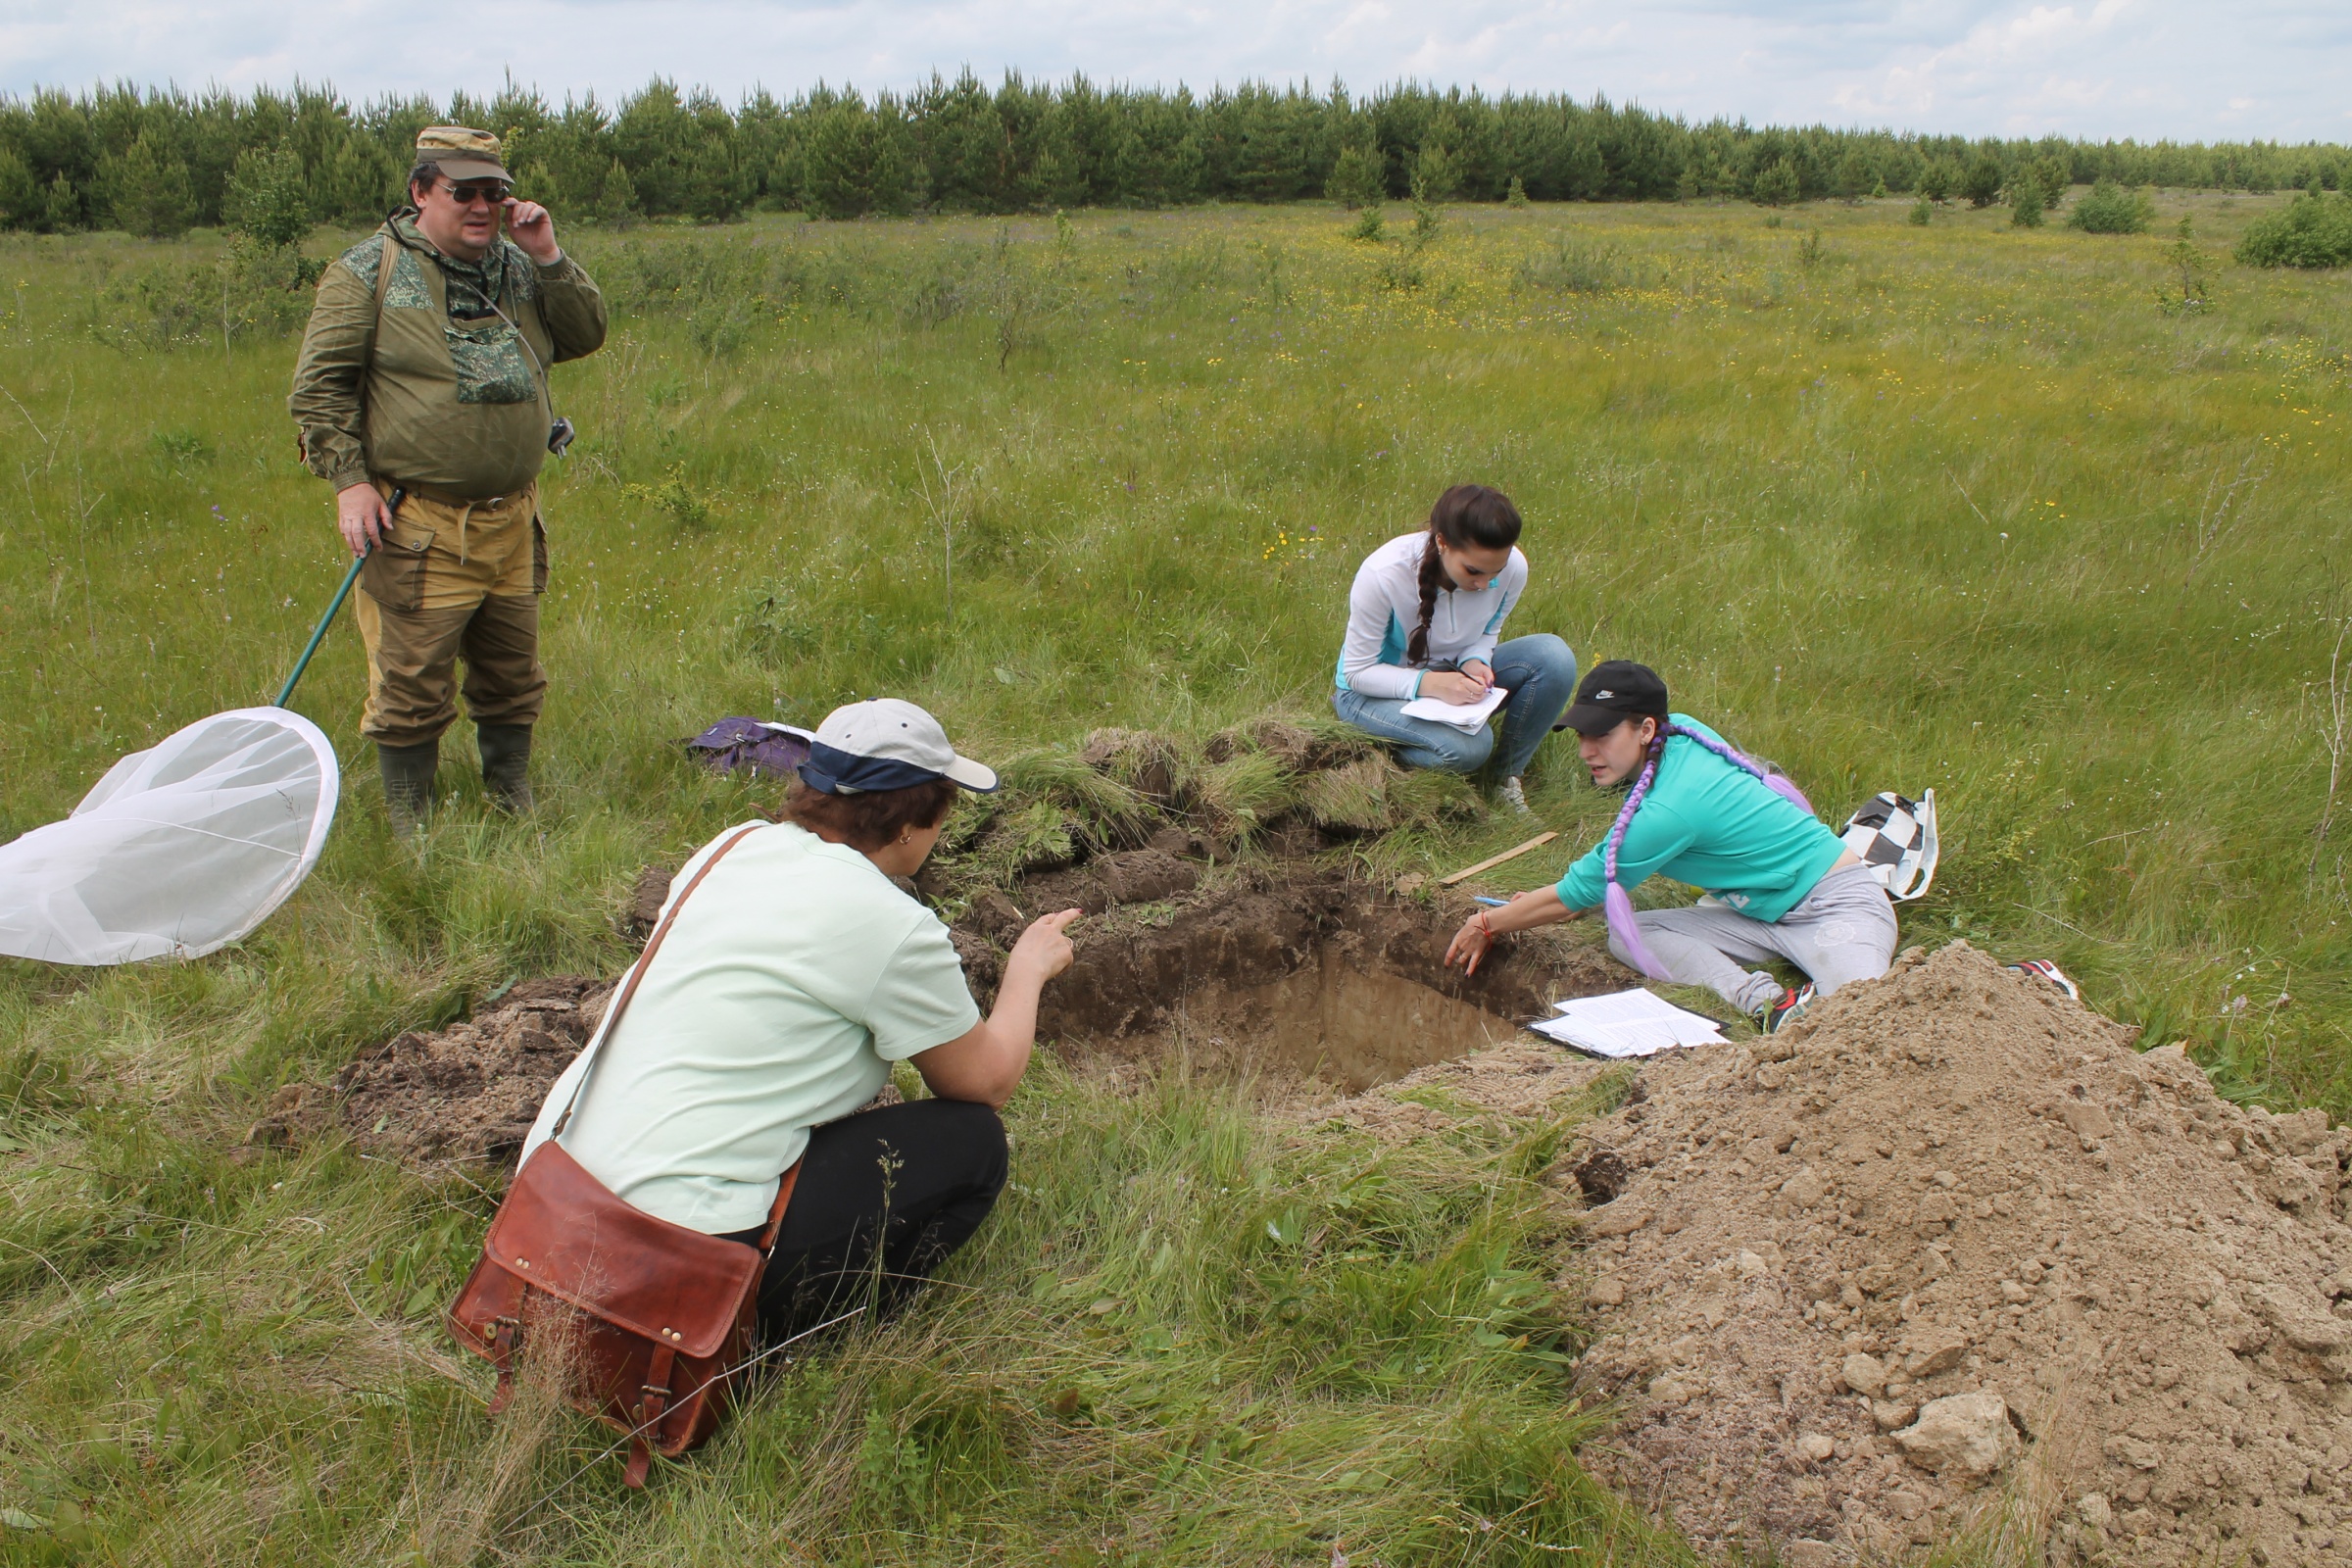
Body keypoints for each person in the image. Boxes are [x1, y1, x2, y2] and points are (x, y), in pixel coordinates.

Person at [518, 698, 1080, 1340]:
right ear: (909, 825)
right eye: (945, 806)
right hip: (672, 1246)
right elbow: (985, 1082)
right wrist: (1026, 970)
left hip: (552, 1200)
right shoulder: (891, 925)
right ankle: (788, 1338)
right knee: (973, 1145)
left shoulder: (729, 848)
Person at [288, 125, 609, 834]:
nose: (482, 207)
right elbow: (319, 389)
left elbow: (584, 335)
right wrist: (350, 482)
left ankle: (510, 796)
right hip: (419, 523)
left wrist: (548, 254)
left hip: (511, 521)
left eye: (494, 192)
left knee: (512, 676)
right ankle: (412, 827)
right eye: (462, 191)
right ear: (420, 191)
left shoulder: (519, 266)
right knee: (410, 685)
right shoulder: (365, 272)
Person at [1444, 661, 1897, 1032]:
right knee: (1628, 933)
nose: (1586, 750)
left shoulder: (1670, 811)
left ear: (1644, 729)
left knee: (1859, 1015)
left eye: (1602, 735)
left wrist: (1487, 923)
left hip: (1835, 904)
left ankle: (1816, 987)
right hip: (1756, 913)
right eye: (1583, 734)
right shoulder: (1678, 731)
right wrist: (1551, 904)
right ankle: (1767, 1004)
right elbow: (1588, 888)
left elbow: (1577, 893)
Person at [1331, 484, 1577, 813]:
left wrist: (1476, 661)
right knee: (1472, 748)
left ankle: (1505, 778)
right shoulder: (1383, 575)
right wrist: (1431, 685)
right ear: (1442, 542)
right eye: (1473, 571)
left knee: (1553, 657)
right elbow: (1358, 672)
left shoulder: (1513, 567)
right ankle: (1373, 752)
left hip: (1449, 675)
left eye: (1495, 572)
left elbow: (1489, 631)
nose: (1484, 584)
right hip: (1369, 693)